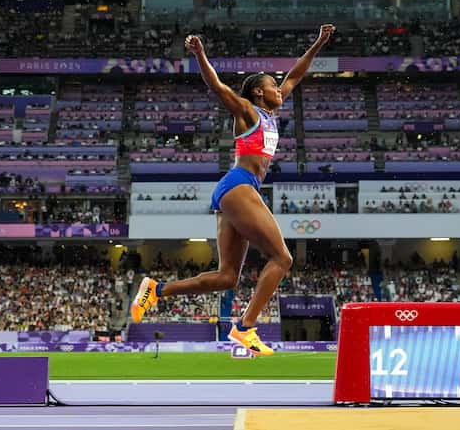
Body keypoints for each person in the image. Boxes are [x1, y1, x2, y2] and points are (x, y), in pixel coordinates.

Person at [130, 24, 336, 355]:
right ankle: (245, 327)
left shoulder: (270, 112)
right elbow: (217, 86)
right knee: (282, 258)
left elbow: (295, 76)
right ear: (257, 92)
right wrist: (200, 55)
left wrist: (318, 44)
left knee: (227, 277)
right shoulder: (246, 111)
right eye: (273, 86)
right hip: (239, 185)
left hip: (234, 191)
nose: (280, 90)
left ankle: (156, 289)